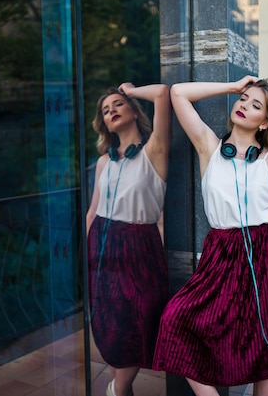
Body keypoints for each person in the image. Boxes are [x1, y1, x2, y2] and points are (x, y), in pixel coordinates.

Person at [152, 76, 268, 396]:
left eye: (255, 105)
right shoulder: (209, 148)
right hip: (222, 253)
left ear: (265, 122)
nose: (244, 106)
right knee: (175, 320)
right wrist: (233, 85)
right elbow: (178, 93)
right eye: (243, 99)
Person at [86, 82, 171, 396]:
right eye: (106, 111)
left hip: (139, 246)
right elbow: (93, 211)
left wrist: (131, 91)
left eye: (118, 105)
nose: (112, 112)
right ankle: (122, 388)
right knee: (110, 324)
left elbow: (162, 93)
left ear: (135, 111)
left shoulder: (154, 151)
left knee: (136, 320)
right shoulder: (104, 162)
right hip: (102, 245)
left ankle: (118, 389)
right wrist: (87, 255)